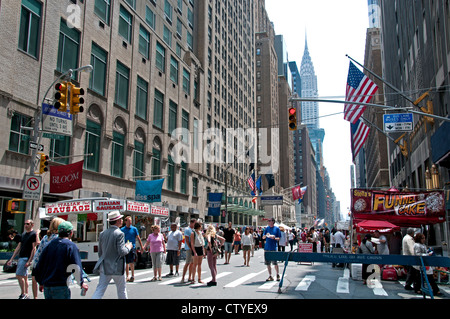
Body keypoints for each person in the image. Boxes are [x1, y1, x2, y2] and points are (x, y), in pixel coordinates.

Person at [34, 221, 88, 299]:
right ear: (71, 233)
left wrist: (40, 282)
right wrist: (81, 282)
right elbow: (75, 266)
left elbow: (40, 264)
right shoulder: (70, 246)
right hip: (61, 285)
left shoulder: (49, 245)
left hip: (47, 285)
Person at [92, 211, 132, 299]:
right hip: (117, 267)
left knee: (100, 289)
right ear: (117, 221)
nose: (122, 220)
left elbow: (100, 252)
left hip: (105, 266)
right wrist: (128, 247)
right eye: (121, 219)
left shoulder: (103, 233)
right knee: (121, 290)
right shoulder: (120, 233)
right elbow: (121, 251)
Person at [31, 217, 65, 299]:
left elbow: (38, 255)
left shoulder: (46, 238)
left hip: (46, 273)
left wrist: (36, 270)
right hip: (57, 274)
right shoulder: (61, 239)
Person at [7, 219, 38, 299]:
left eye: (27, 224)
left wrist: (29, 260)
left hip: (26, 258)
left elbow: (34, 248)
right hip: (21, 257)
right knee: (24, 277)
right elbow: (19, 246)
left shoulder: (33, 234)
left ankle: (23, 293)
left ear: (32, 225)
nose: (25, 225)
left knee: (18, 275)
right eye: (25, 224)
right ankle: (26, 294)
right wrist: (11, 258)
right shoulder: (23, 234)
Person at [120, 216, 143, 283]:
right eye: (129, 221)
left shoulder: (134, 229)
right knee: (126, 262)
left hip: (132, 247)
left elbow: (138, 238)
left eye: (131, 221)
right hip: (124, 247)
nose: (130, 222)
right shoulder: (122, 230)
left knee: (131, 261)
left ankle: (132, 275)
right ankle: (127, 276)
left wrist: (141, 247)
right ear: (125, 221)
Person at [181, 218, 196, 283]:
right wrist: (190, 247)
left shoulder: (194, 229)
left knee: (192, 263)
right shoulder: (187, 229)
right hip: (189, 248)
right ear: (192, 223)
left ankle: (190, 277)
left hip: (194, 248)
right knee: (187, 263)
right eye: (195, 223)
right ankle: (183, 277)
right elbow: (186, 240)